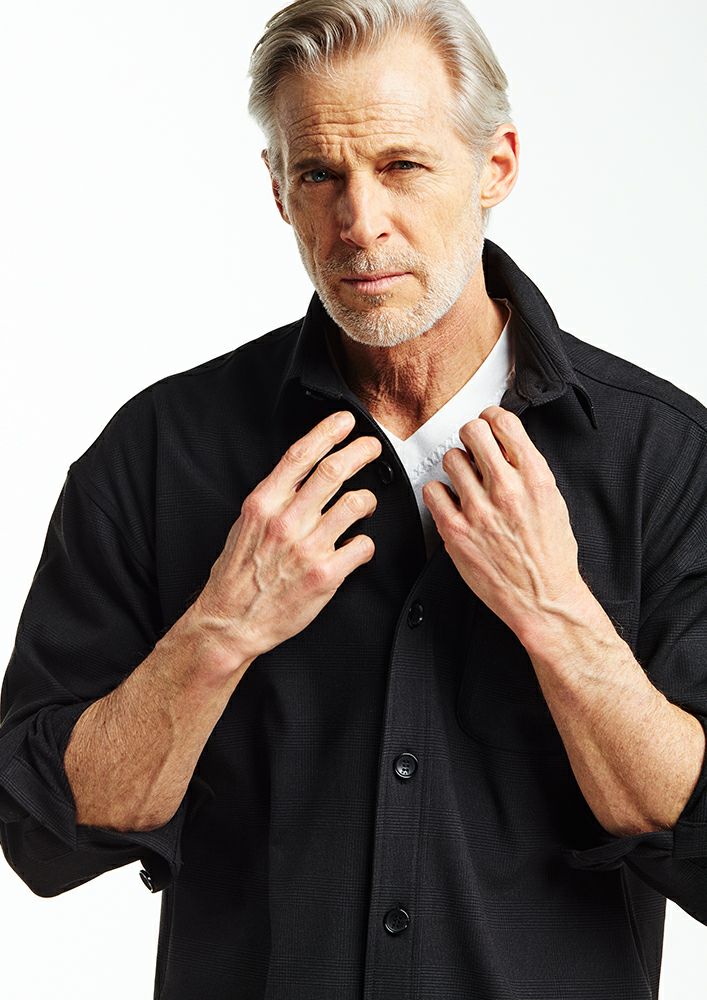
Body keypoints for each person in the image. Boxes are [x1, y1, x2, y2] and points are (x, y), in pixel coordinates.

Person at [1, 0, 706, 997]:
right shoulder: (160, 454)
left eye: (401, 166)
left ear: (496, 165)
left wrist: (556, 615)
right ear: (276, 189)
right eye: (318, 175)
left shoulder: (661, 458)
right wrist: (218, 631)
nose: (358, 223)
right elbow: (41, 828)